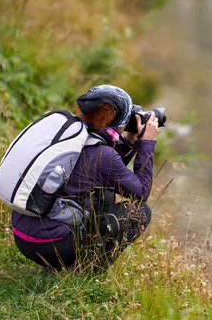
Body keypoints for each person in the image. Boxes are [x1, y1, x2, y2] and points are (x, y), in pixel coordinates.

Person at [11, 85, 160, 270]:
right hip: (53, 246)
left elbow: (108, 171)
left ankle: (60, 261)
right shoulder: (103, 155)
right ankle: (88, 270)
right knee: (141, 211)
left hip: (24, 237)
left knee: (104, 195)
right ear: (119, 119)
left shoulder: (72, 133)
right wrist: (146, 143)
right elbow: (141, 192)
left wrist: (130, 141)